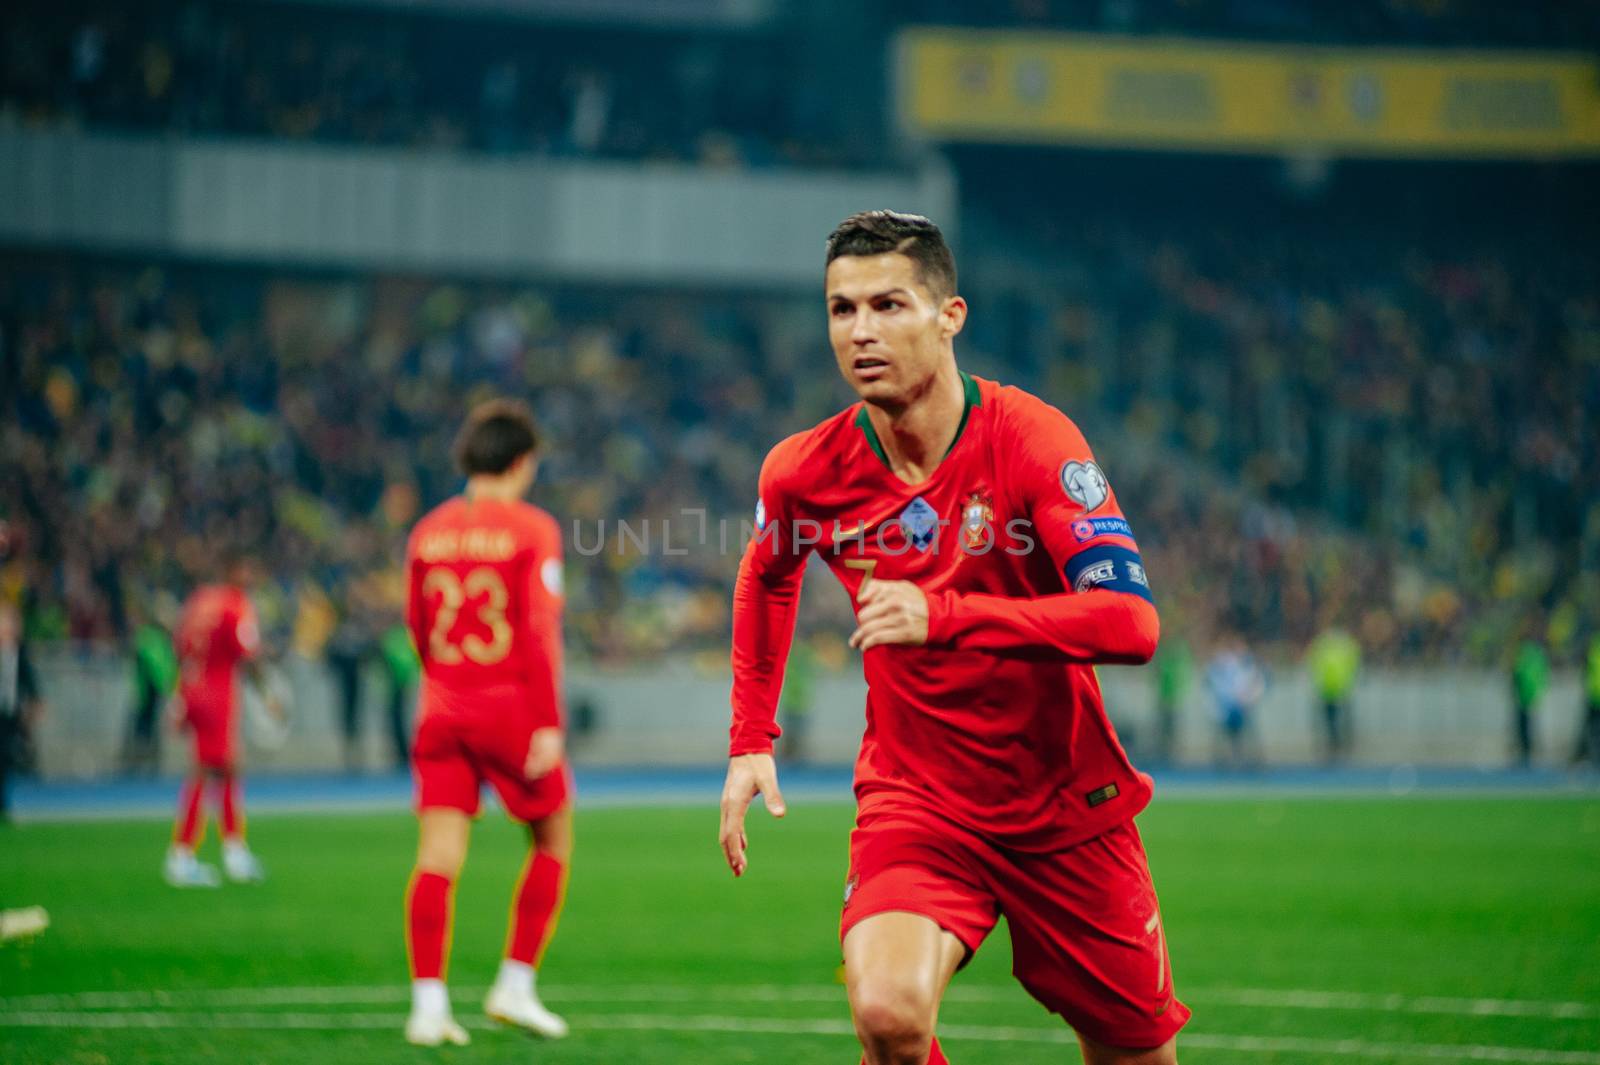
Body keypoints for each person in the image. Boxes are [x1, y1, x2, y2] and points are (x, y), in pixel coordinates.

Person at [719, 211, 1186, 1065]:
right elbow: (766, 573)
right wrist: (751, 734)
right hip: (919, 801)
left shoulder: (1033, 440)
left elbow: (1132, 623)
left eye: (889, 305)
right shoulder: (804, 470)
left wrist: (949, 615)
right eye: (841, 309)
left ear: (950, 315)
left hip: (1065, 804)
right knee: (890, 1017)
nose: (860, 331)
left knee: (1136, 1055)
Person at [402, 399, 571, 1047]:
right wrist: (547, 722)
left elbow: (417, 626)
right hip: (508, 707)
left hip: (441, 706)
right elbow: (538, 631)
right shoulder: (533, 529)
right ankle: (515, 983)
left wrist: (445, 683)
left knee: (437, 858)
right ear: (523, 461)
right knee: (552, 839)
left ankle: (427, 1005)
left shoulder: (428, 530)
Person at [165, 556, 277, 887]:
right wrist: (268, 695)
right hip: (217, 693)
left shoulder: (198, 601)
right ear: (234, 571)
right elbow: (248, 653)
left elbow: (179, 646)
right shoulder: (235, 604)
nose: (250, 576)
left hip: (191, 689)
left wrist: (179, 694)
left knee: (223, 769)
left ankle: (233, 852)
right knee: (209, 771)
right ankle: (183, 855)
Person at [0, 602, 44, 823]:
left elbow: (29, 680)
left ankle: (4, 804)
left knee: (6, 758)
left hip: (9, 713)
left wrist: (36, 703)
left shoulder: (19, 651)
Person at [1205, 632, 1265, 770]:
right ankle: (1223, 762)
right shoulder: (1227, 664)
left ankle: (1253, 761)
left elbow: (1256, 684)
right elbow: (1219, 684)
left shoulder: (1248, 665)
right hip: (1229, 707)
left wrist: (1249, 700)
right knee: (1226, 736)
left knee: (1247, 735)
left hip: (1242, 707)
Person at [1306, 626, 1360, 763]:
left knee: (1338, 722)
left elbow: (1353, 665)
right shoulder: (1341, 645)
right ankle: (1335, 747)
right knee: (1332, 722)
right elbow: (1314, 665)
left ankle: (1341, 746)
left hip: (1338, 690)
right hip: (1329, 691)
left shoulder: (1326, 645)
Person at [1510, 635, 1548, 767]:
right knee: (1527, 726)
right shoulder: (1537, 656)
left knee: (1524, 727)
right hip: (1529, 696)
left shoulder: (1525, 656)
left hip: (1524, 696)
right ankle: (1527, 754)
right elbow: (1541, 677)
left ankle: (1526, 754)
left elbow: (1518, 674)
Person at [1574, 632, 1600, 770]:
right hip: (1594, 695)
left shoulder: (1594, 643)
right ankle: (1592, 757)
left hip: (1594, 694)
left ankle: (1592, 757)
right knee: (1592, 729)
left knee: (1592, 729)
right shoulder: (1594, 643)